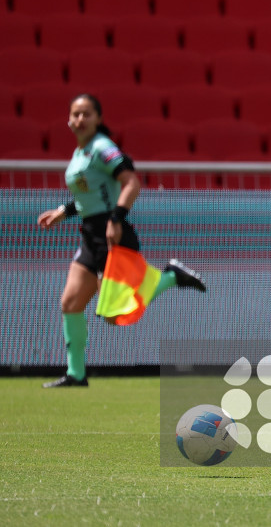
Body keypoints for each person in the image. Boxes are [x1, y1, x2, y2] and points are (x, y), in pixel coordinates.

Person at [37, 94, 206, 388]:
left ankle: (169, 276)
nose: (80, 119)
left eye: (86, 114)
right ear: (68, 120)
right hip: (91, 237)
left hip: (111, 233)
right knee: (71, 302)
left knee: (116, 316)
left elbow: (131, 182)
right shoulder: (81, 153)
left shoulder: (103, 148)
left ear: (98, 119)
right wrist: (62, 212)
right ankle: (76, 374)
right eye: (75, 114)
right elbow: (88, 196)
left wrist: (116, 219)